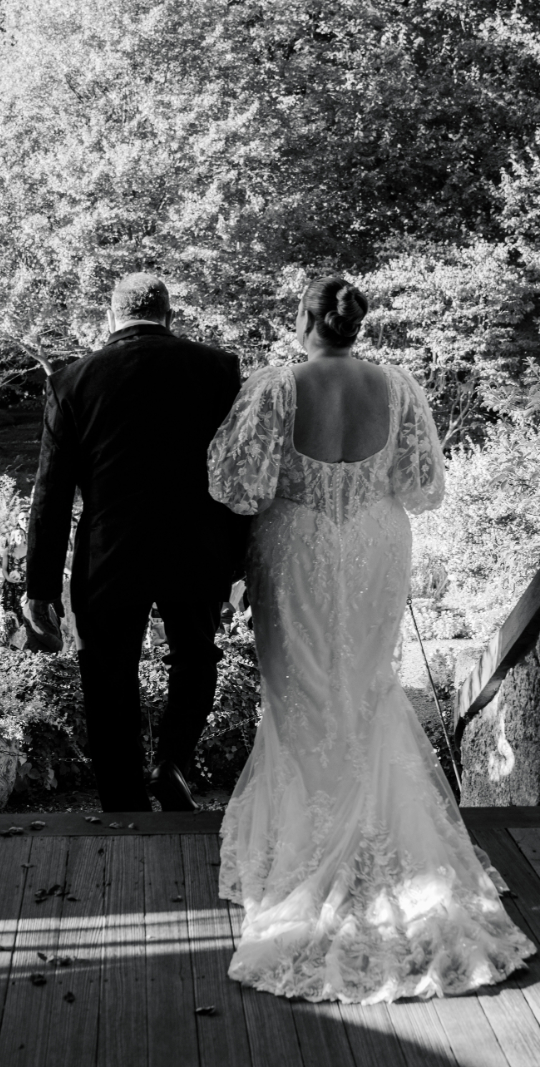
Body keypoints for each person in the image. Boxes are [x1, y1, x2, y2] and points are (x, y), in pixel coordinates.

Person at [207, 277, 535, 1003]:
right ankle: (376, 831)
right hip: (377, 545)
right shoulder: (399, 386)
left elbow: (236, 486)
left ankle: (307, 841)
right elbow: (424, 487)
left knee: (297, 692)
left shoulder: (275, 388)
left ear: (303, 320)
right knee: (365, 685)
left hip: (294, 545)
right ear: (357, 327)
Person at [25, 272, 248, 812]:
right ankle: (172, 759)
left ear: (112, 316)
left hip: (110, 553)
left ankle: (123, 802)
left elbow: (51, 492)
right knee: (196, 657)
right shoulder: (218, 369)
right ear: (170, 315)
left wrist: (40, 585)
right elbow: (239, 471)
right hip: (196, 546)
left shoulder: (72, 382)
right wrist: (240, 560)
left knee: (107, 673)